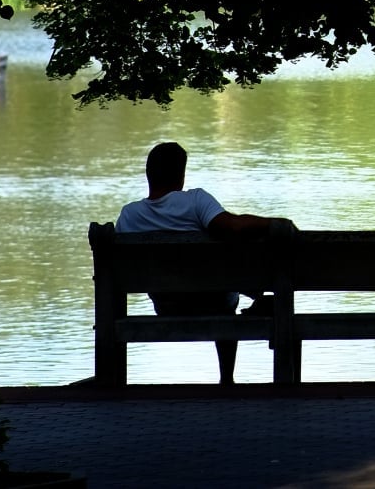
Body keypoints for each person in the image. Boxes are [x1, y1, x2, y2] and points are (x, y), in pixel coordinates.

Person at [114, 141, 296, 383]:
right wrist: (276, 224)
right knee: (227, 281)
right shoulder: (196, 201)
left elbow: (120, 268)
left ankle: (257, 297)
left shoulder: (129, 215)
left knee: (222, 276)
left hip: (167, 304)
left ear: (149, 175)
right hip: (213, 302)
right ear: (181, 175)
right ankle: (227, 378)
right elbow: (233, 227)